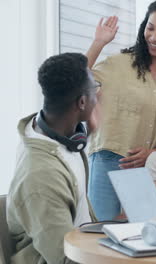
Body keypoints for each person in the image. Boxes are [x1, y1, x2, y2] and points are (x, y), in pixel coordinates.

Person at [85, 0, 156, 220]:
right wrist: (98, 43)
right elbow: (76, 79)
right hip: (108, 160)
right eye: (150, 28)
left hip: (147, 168)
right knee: (100, 235)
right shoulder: (119, 63)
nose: (153, 37)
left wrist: (153, 153)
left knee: (144, 235)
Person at [7, 53, 99, 263]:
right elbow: (63, 257)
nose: (98, 95)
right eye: (95, 89)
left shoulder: (64, 139)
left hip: (87, 248)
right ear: (82, 102)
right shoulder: (40, 176)